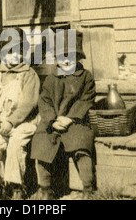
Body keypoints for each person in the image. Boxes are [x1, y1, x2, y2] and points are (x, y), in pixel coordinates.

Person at [30, 30, 97, 199]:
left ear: (78, 57)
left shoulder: (85, 77)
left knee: (81, 146)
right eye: (62, 56)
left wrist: (70, 118)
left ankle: (88, 188)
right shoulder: (51, 78)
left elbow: (86, 99)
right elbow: (44, 101)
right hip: (53, 121)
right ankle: (46, 189)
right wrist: (52, 120)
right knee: (41, 143)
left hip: (76, 121)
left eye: (71, 56)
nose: (66, 60)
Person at [0, 29, 40, 200]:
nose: (14, 56)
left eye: (18, 52)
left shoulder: (29, 74)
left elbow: (28, 103)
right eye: (9, 52)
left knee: (15, 145)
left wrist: (11, 122)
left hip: (23, 122)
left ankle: (16, 187)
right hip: (1, 122)